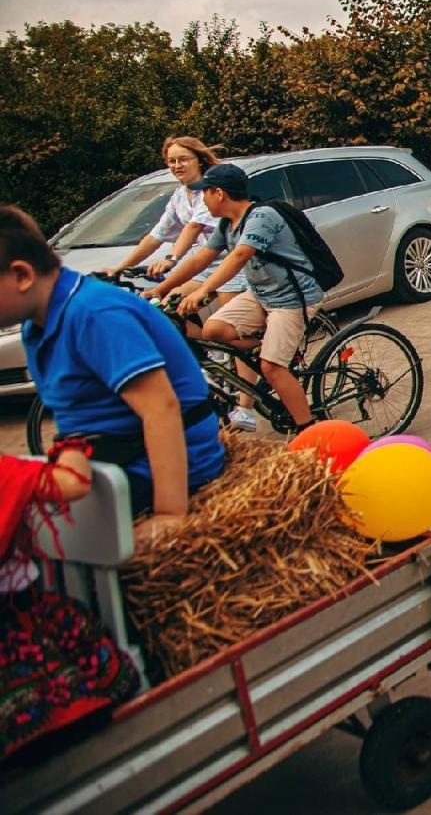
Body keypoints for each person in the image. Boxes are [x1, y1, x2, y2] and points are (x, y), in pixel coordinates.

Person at [0, 205, 225, 551]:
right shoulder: (38, 325)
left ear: (21, 275)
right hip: (108, 458)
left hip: (146, 468)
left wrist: (169, 514)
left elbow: (160, 407)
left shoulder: (94, 313)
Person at [147, 163, 323, 432]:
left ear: (219, 193)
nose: (202, 199)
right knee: (214, 330)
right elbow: (202, 258)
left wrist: (204, 291)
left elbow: (240, 255)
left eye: (204, 192)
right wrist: (161, 289)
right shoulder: (227, 225)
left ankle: (309, 430)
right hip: (262, 294)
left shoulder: (262, 217)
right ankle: (270, 350)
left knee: (272, 367)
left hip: (293, 297)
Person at [106, 137, 247, 312]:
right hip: (205, 266)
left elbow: (194, 227)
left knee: (227, 327)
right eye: (171, 161)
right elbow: (155, 236)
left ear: (200, 161)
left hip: (232, 265)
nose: (177, 165)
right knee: (168, 310)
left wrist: (171, 259)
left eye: (184, 159)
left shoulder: (212, 190)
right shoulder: (179, 196)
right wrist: (120, 268)